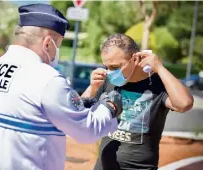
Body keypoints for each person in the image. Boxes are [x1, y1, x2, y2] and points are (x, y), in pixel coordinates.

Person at [0, 4, 122, 170]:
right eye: (58, 45)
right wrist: (110, 107)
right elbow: (87, 130)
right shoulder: (47, 78)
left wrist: (88, 94)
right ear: (47, 43)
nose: (56, 52)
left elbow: (49, 113)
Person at [81, 33, 194, 170]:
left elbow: (184, 103)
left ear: (135, 59)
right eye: (107, 66)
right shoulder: (107, 79)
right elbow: (79, 112)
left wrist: (159, 67)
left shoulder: (157, 83)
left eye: (115, 67)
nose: (110, 72)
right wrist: (92, 88)